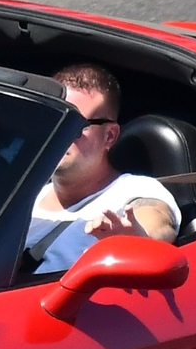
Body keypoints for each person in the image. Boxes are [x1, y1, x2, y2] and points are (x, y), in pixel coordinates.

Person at [25, 63, 180, 274]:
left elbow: (157, 218)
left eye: (75, 124)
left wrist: (138, 239)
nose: (58, 134)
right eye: (52, 118)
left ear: (110, 136)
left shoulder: (135, 191)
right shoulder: (22, 195)